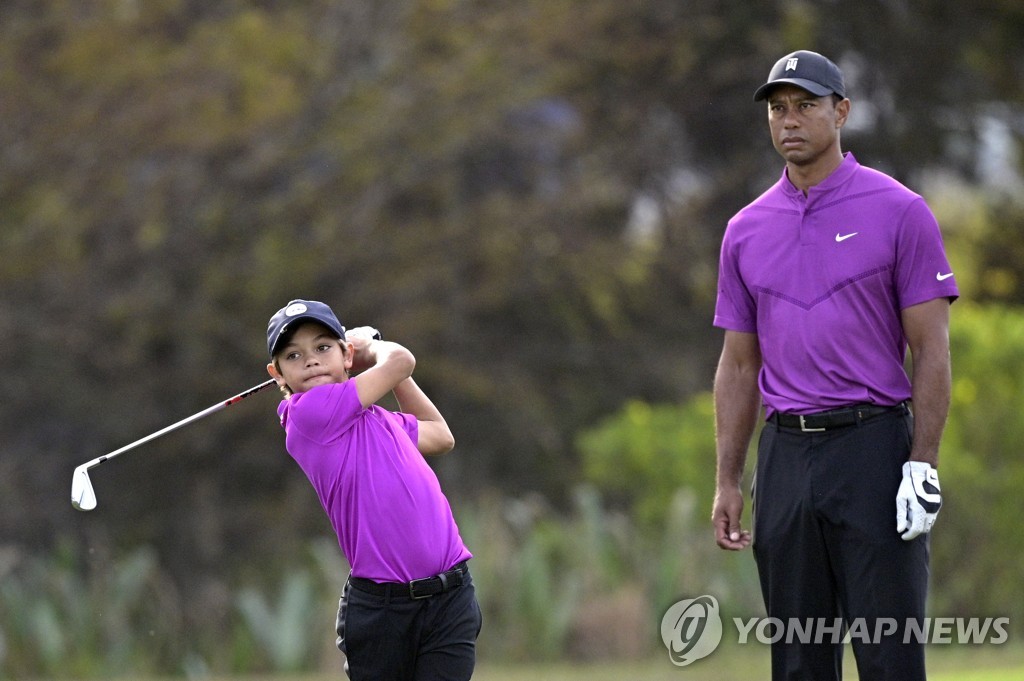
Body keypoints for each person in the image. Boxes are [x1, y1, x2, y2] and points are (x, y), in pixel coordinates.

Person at [710, 50, 957, 681]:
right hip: (786, 459)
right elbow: (739, 367)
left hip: (874, 451)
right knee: (797, 662)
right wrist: (729, 480)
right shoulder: (744, 229)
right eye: (778, 109)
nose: (789, 121)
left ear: (841, 112)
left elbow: (931, 350)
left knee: (888, 656)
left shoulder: (900, 210)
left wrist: (922, 464)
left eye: (806, 106)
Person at [265, 299, 481, 681]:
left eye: (322, 347)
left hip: (450, 596)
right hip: (384, 613)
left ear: (344, 355)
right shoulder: (307, 415)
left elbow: (440, 435)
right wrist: (371, 346)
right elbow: (400, 360)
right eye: (293, 355)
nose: (311, 360)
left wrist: (377, 365)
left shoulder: (379, 420)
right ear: (277, 373)